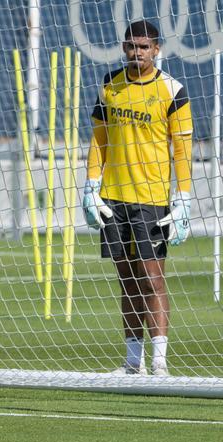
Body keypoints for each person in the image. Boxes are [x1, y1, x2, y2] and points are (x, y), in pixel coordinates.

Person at [82, 20, 193, 376]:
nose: (137, 53)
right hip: (112, 199)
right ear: (124, 48)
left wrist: (183, 199)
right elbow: (99, 139)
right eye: (131, 46)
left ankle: (159, 361)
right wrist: (90, 186)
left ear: (157, 50)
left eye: (144, 47)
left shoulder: (173, 91)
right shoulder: (109, 85)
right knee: (127, 282)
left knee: (152, 279)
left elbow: (182, 151)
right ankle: (133, 362)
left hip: (151, 201)